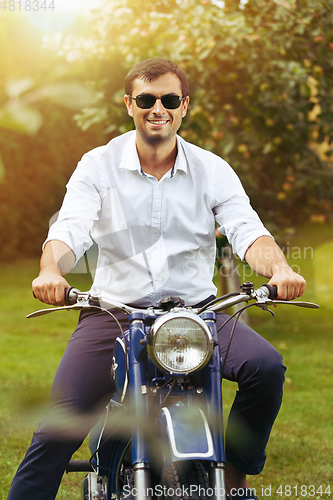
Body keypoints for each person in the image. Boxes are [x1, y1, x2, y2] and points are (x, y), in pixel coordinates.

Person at [7, 58, 306, 500]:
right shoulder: (98, 164)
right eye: (146, 99)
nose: (157, 109)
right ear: (129, 104)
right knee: (58, 427)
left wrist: (280, 268)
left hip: (199, 314)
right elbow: (70, 228)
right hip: (113, 313)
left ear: (184, 106)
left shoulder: (212, 169)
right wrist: (51, 270)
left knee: (265, 368)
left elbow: (247, 230)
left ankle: (237, 475)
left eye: (168, 99)